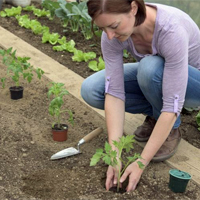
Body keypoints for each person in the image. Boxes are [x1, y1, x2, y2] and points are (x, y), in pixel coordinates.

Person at [81, 0, 200, 192]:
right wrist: (115, 154)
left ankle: (172, 129)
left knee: (149, 68)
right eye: (103, 28)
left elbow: (171, 104)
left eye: (113, 26)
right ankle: (155, 114)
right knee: (92, 89)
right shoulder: (111, 35)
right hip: (160, 75)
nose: (109, 35)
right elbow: (115, 92)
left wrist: (140, 163)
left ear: (134, 8)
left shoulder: (171, 30)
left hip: (193, 84)